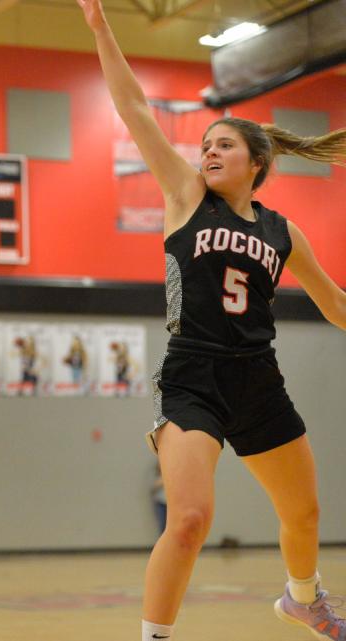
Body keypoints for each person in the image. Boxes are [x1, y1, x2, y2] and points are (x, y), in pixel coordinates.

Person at [77, 1, 346, 640]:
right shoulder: (185, 197)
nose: (207, 153)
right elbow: (135, 109)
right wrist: (100, 28)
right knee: (191, 518)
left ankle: (303, 598)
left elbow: (335, 305)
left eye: (223, 145)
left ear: (257, 162)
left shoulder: (283, 232)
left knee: (303, 514)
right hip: (192, 373)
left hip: (259, 378)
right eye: (204, 146)